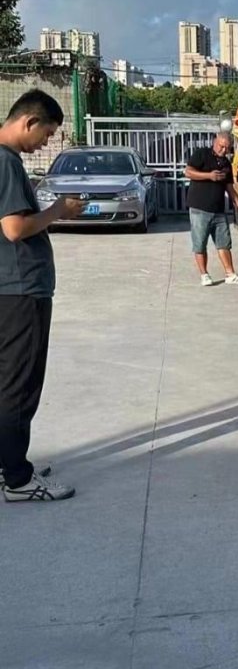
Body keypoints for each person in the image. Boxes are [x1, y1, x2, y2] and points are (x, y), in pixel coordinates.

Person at [0, 90, 86, 502]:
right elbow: (15, 229)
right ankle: (18, 480)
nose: (46, 143)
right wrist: (58, 211)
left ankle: (9, 463)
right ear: (29, 122)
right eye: (47, 134)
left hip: (10, 289)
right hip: (20, 291)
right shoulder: (6, 162)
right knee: (19, 385)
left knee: (7, 383)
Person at [185, 132, 238, 286]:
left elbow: (230, 188)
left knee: (224, 243)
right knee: (200, 243)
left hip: (219, 210)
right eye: (221, 146)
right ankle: (204, 275)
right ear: (215, 142)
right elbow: (188, 172)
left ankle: (230, 274)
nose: (224, 150)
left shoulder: (226, 164)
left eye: (227, 148)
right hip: (199, 209)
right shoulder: (201, 154)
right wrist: (209, 176)